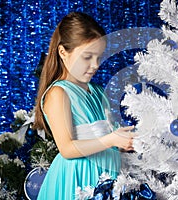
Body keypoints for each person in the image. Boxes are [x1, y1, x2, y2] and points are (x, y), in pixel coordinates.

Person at [33, 12, 134, 200]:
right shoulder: (58, 94)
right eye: (87, 57)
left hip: (109, 174)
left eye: (99, 57)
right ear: (63, 52)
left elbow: (107, 135)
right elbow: (67, 148)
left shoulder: (97, 92)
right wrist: (111, 140)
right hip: (78, 179)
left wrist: (125, 142)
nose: (95, 65)